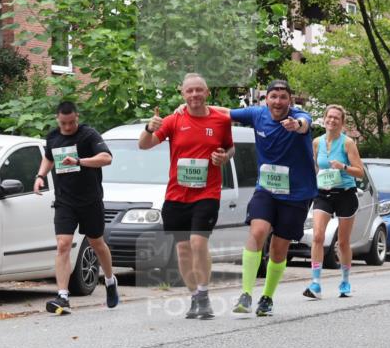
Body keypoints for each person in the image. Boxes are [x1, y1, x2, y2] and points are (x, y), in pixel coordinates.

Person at [139, 73, 235, 319]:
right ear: (183, 94)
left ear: (207, 93)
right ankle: (195, 296)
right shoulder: (174, 120)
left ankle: (203, 294)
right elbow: (145, 145)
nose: (194, 95)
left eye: (198, 90)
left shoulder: (221, 121)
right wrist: (149, 128)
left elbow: (229, 147)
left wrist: (224, 157)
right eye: (189, 91)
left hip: (207, 192)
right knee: (182, 250)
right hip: (176, 194)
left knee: (198, 242)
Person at [224, 80, 316, 317]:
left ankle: (267, 297)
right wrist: (191, 107)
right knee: (257, 231)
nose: (277, 101)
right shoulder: (257, 114)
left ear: (290, 100)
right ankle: (245, 293)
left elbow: (305, 124)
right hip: (266, 189)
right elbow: (224, 113)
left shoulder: (299, 116)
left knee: (278, 248)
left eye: (283, 97)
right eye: (273, 96)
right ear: (266, 99)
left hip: (296, 194)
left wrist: (296, 125)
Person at [34, 101, 120, 314]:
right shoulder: (53, 136)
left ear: (77, 118)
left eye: (72, 122)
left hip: (90, 200)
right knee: (63, 244)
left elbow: (106, 158)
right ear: (57, 119)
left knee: (96, 243)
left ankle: (110, 280)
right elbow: (48, 158)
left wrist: (80, 161)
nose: (68, 127)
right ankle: (62, 296)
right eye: (64, 123)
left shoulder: (88, 135)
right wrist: (40, 176)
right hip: (65, 201)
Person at [304, 104, 366, 298]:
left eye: (336, 118)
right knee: (317, 236)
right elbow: (316, 166)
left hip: (345, 194)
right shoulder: (316, 142)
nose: (331, 120)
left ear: (342, 122)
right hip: (323, 194)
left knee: (343, 242)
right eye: (329, 117)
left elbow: (360, 172)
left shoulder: (348, 143)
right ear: (324, 119)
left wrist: (343, 166)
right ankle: (315, 283)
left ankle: (345, 281)